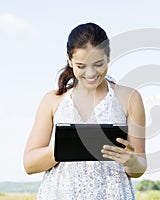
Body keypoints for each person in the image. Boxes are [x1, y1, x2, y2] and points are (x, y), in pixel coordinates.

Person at [23, 22, 147, 199]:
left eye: (98, 64)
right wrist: (64, 146)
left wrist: (132, 161)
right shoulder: (53, 100)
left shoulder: (130, 98)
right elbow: (29, 164)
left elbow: (140, 166)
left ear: (108, 56)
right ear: (69, 59)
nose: (90, 74)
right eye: (81, 66)